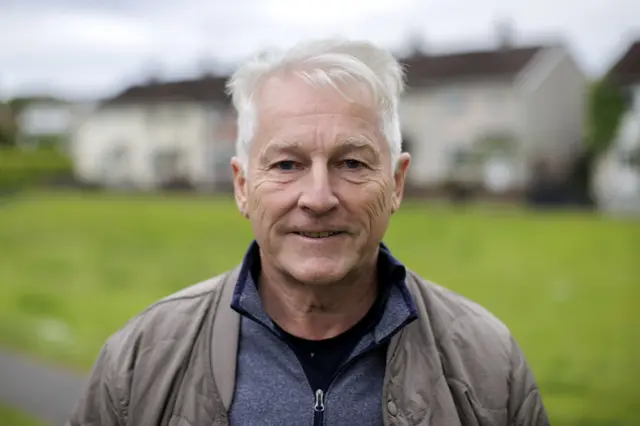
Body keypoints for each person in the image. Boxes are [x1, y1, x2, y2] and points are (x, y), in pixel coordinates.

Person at [66, 38, 549, 426]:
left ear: (397, 183)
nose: (318, 198)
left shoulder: (488, 364)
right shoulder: (141, 360)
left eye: (352, 162)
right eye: (287, 163)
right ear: (242, 186)